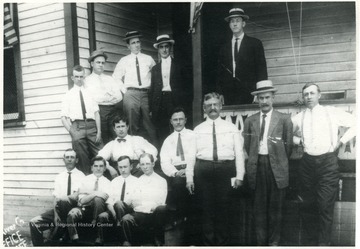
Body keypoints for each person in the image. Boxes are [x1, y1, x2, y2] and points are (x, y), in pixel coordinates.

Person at [292, 83, 356, 246]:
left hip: (328, 163)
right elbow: (284, 133)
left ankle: (323, 245)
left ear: (319, 95)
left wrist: (341, 141)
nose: (309, 97)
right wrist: (299, 141)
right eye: (305, 94)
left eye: (312, 93)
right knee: (308, 206)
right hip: (307, 164)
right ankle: (312, 243)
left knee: (325, 205)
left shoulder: (331, 112)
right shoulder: (299, 117)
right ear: (303, 97)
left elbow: (357, 123)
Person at [187, 92, 245, 245]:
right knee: (206, 209)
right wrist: (189, 178)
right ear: (204, 108)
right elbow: (190, 156)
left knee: (224, 209)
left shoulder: (231, 128)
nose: (212, 108)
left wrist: (240, 176)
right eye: (208, 106)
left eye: (215, 105)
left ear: (221, 107)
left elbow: (239, 153)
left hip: (225, 170)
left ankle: (222, 243)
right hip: (203, 171)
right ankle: (208, 244)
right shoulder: (197, 130)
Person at [243, 80, 293, 246]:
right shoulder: (250, 121)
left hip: (277, 168)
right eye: (261, 98)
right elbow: (248, 146)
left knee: (276, 210)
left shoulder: (284, 119)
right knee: (259, 210)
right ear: (257, 99)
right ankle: (261, 243)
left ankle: (274, 243)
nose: (264, 101)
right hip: (257, 167)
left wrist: (278, 162)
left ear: (273, 98)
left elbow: (288, 146)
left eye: (267, 97)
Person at [29, 149, 86, 246]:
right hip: (59, 210)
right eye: (67, 157)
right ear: (63, 160)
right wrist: (56, 215)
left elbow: (77, 197)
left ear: (76, 160)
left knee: (64, 200)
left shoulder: (82, 176)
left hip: (74, 209)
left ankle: (58, 234)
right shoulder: (59, 176)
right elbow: (55, 197)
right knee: (33, 223)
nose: (69, 159)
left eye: (72, 157)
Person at [113, 31, 157, 146]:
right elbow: (116, 77)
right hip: (131, 93)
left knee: (149, 123)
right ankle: (133, 152)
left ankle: (154, 153)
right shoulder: (124, 60)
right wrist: (125, 91)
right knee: (132, 123)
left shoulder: (149, 59)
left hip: (146, 93)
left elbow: (156, 76)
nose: (136, 45)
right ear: (128, 46)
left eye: (138, 42)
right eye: (133, 43)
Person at [217, 8, 267, 105]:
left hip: (250, 93)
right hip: (229, 95)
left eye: (237, 21)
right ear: (229, 25)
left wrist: (260, 93)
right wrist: (220, 93)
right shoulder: (224, 47)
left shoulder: (255, 44)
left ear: (243, 24)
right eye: (232, 21)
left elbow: (261, 70)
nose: (234, 24)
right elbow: (220, 73)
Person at [60, 65, 103, 175]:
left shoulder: (90, 92)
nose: (79, 79)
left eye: (81, 76)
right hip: (77, 127)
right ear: (72, 78)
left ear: (84, 77)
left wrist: (99, 131)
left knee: (101, 154)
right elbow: (63, 117)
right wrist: (72, 132)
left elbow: (96, 113)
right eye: (76, 77)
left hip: (91, 125)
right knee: (82, 158)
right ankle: (86, 182)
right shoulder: (68, 95)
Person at [120, 153, 168, 246]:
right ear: (139, 166)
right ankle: (128, 243)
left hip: (154, 214)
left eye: (147, 164)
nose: (145, 167)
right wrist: (144, 203)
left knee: (161, 208)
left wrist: (142, 203)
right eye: (142, 164)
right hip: (140, 213)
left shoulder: (161, 181)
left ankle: (158, 240)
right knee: (126, 219)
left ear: (153, 164)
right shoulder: (137, 181)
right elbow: (133, 200)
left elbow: (159, 202)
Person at [66, 156, 112, 245]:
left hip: (99, 211)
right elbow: (82, 201)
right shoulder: (85, 180)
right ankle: (74, 240)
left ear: (105, 168)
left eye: (101, 166)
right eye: (95, 166)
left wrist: (89, 193)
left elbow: (104, 200)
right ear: (91, 168)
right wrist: (95, 193)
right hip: (84, 209)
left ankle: (98, 237)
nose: (98, 168)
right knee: (72, 214)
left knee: (98, 200)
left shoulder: (108, 183)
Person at [150, 35, 186, 145]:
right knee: (162, 130)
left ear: (170, 48)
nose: (164, 49)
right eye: (161, 47)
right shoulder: (155, 68)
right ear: (158, 49)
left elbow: (185, 87)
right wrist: (152, 107)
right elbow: (153, 89)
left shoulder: (179, 65)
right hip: (160, 101)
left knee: (176, 127)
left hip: (173, 100)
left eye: (166, 46)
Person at [97, 155, 139, 243]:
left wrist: (119, 207)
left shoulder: (137, 182)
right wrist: (113, 211)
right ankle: (102, 240)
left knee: (119, 203)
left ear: (131, 167)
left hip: (129, 210)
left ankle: (125, 240)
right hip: (114, 211)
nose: (123, 170)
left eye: (125, 167)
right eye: (120, 167)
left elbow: (135, 201)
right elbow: (109, 201)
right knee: (102, 216)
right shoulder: (114, 182)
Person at [84, 50, 123, 144]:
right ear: (92, 64)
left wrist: (102, 97)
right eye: (98, 62)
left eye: (103, 63)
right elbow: (92, 99)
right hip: (99, 112)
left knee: (116, 136)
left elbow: (119, 96)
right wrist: (108, 97)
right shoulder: (87, 81)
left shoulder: (110, 79)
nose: (101, 65)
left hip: (113, 111)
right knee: (103, 138)